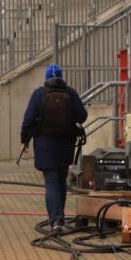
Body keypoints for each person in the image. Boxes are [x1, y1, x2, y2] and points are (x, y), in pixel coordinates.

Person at [20, 63, 88, 230]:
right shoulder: (70, 93)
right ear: (61, 77)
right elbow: (82, 116)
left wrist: (24, 140)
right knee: (61, 179)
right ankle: (60, 216)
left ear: (46, 78)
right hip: (66, 144)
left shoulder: (39, 94)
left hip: (45, 145)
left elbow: (28, 119)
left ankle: (55, 220)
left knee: (51, 181)